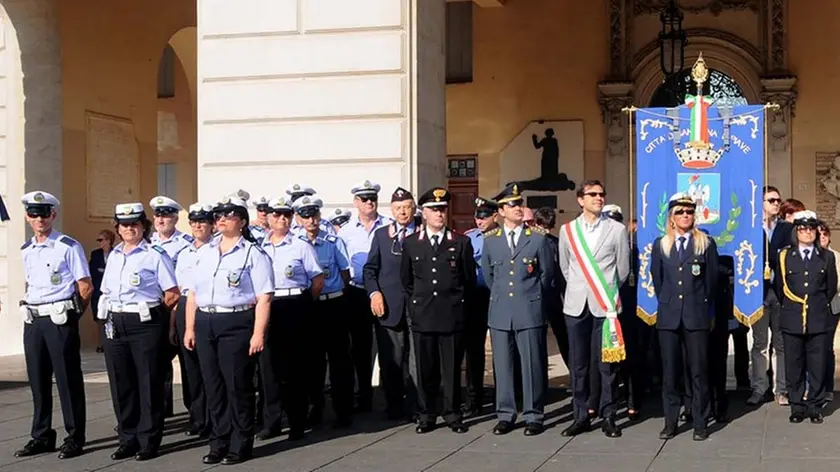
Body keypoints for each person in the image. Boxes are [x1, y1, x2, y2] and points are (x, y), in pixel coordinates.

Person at [183, 195, 274, 465]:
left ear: (242, 221)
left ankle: (240, 442)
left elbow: (264, 297)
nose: (221, 220)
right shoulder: (204, 252)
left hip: (236, 322)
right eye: (218, 216)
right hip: (206, 321)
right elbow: (192, 293)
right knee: (213, 386)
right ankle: (218, 441)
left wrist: (258, 334)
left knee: (237, 385)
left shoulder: (252, 253)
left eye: (229, 215)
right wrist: (189, 328)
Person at [98, 202, 180, 461]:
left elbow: (172, 293)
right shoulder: (114, 255)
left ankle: (148, 439)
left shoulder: (155, 254)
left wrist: (152, 315)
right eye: (124, 225)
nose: (129, 228)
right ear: (118, 228)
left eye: (134, 224)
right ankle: (127, 438)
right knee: (121, 384)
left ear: (143, 226)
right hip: (116, 321)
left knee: (148, 382)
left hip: (144, 322)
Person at [14, 191, 91, 460]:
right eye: (33, 214)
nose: (39, 219)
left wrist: (72, 318)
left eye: (44, 213)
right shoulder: (27, 249)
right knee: (38, 379)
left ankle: (74, 436)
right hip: (34, 319)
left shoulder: (68, 246)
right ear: (27, 216)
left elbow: (85, 287)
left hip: (60, 319)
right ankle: (42, 434)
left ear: (53, 215)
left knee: (68, 380)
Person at [557, 180, 629, 438]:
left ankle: (609, 415)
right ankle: (580, 415)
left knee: (607, 365)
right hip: (577, 305)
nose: (598, 198)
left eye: (601, 194)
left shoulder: (617, 229)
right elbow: (565, 267)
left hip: (605, 306)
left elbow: (623, 269)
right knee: (578, 365)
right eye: (592, 194)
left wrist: (606, 292)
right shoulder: (568, 230)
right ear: (580, 199)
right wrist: (581, 287)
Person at [482, 183, 554, 436]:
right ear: (501, 211)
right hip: (501, 311)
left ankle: (534, 414)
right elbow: (489, 276)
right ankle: (505, 413)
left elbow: (546, 276)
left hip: (529, 309)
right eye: (512, 205)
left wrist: (531, 298)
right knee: (502, 366)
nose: (518, 208)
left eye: (519, 204)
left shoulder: (537, 238)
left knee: (532, 364)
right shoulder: (491, 241)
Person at [401, 187, 475, 433]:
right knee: (425, 368)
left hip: (451, 315)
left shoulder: (460, 242)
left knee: (451, 369)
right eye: (434, 210)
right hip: (423, 314)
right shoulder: (411, 244)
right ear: (423, 213)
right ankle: (426, 414)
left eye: (442, 209)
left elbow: (468, 281)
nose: (439, 214)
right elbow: (407, 281)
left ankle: (452, 413)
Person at [650, 193, 719, 441]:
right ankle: (670, 422)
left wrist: (700, 307)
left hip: (696, 316)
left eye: (689, 212)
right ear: (671, 217)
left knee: (698, 371)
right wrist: (670, 303)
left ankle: (700, 422)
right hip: (669, 317)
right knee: (670, 372)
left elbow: (711, 283)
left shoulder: (705, 244)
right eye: (680, 212)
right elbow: (658, 280)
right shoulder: (661, 245)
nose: (685, 216)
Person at [258, 196, 324, 440]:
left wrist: (304, 304)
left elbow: (317, 280)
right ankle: (272, 421)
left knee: (295, 368)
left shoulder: (300, 246)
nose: (282, 219)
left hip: (295, 303)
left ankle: (297, 420)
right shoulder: (259, 246)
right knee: (268, 368)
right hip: (268, 305)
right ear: (268, 217)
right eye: (277, 214)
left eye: (286, 214)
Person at [364, 187, 422, 421]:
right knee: (392, 359)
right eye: (398, 208)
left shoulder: (424, 232)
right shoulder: (381, 235)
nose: (403, 212)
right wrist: (374, 293)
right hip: (389, 307)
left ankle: (420, 406)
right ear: (392, 210)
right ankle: (394, 406)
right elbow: (370, 270)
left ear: (413, 208)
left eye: (407, 207)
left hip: (419, 306)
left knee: (418, 359)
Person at [295, 194, 354, 428]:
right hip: (309, 305)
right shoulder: (294, 243)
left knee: (340, 360)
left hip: (333, 303)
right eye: (306, 215)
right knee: (312, 362)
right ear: (298, 218)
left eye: (315, 215)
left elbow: (346, 273)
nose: (311, 220)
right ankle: (315, 409)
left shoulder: (332, 241)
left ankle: (343, 411)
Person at [776, 210, 838, 424]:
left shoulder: (826, 256)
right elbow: (779, 288)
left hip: (818, 318)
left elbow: (830, 288)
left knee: (817, 364)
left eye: (811, 228)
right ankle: (797, 406)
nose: (807, 232)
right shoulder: (785, 256)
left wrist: (815, 305)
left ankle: (814, 406)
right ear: (796, 231)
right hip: (792, 317)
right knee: (794, 364)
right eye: (803, 229)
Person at [338, 180, 393, 412]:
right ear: (355, 202)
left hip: (386, 293)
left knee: (390, 346)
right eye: (364, 199)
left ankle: (393, 397)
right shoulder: (346, 231)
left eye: (372, 198)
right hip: (357, 293)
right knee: (360, 348)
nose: (369, 202)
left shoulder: (389, 226)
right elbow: (342, 264)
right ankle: (364, 396)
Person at [149, 195, 194, 418]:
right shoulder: (147, 243)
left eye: (165, 215)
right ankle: (162, 410)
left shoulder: (186, 243)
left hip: (180, 306)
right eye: (157, 215)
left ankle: (194, 410)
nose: (161, 219)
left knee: (188, 362)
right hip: (155, 308)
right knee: (157, 362)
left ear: (175, 218)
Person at [173, 203, 215, 438]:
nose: (198, 225)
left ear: (211, 224)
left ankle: (213, 417)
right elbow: (180, 289)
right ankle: (197, 416)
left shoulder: (217, 249)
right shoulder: (185, 253)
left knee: (209, 366)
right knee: (190, 367)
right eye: (194, 222)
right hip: (185, 308)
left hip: (208, 309)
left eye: (203, 221)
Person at [749, 186, 794, 406]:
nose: (776, 203)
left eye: (778, 200)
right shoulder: (751, 227)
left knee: (781, 343)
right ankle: (759, 387)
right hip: (758, 292)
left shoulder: (787, 228)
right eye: (771, 200)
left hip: (780, 292)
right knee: (760, 344)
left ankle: (781, 389)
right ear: (761, 204)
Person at [462, 197, 500, 415]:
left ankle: (503, 393)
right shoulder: (469, 238)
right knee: (474, 349)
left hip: (497, 295)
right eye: (477, 216)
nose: (480, 220)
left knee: (501, 349)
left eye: (484, 216)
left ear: (495, 216)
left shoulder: (502, 237)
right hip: (475, 297)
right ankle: (473, 397)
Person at [818, 220, 840, 403]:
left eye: (825, 234)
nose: (822, 237)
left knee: (827, 347)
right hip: (813, 308)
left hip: (832, 307)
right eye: (820, 234)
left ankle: (828, 387)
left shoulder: (836, 257)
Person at [90, 229, 116, 353]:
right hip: (98, 291)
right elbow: (92, 270)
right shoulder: (95, 254)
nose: (99, 242)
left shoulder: (116, 253)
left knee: (112, 318)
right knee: (98, 318)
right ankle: (101, 344)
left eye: (101, 240)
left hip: (112, 291)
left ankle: (111, 343)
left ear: (109, 240)